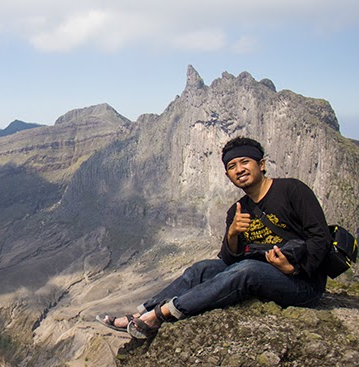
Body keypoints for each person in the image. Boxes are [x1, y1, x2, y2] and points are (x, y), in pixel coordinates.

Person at [96, 136, 333, 339]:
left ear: (261, 164)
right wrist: (232, 233)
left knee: (247, 269)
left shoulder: (292, 190)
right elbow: (229, 260)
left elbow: (319, 236)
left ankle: (161, 315)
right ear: (228, 174)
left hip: (303, 284)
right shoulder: (238, 209)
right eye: (232, 166)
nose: (239, 169)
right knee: (201, 269)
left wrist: (291, 268)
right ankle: (140, 313)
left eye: (245, 162)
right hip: (262, 275)